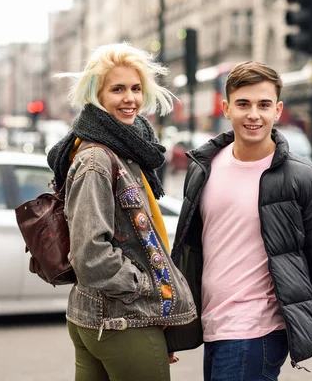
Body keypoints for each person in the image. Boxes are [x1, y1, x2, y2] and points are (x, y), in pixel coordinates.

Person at [165, 61, 312, 380]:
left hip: (257, 331)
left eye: (263, 105)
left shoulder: (302, 178)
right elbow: (188, 254)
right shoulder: (204, 168)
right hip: (215, 326)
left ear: (278, 110)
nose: (253, 114)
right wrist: (175, 326)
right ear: (227, 108)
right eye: (243, 104)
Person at [47, 42, 197, 381]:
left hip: (106, 317)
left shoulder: (122, 149)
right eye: (117, 89)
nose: (130, 98)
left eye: (135, 88)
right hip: (122, 318)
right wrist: (146, 288)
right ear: (97, 95)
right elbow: (90, 254)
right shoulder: (98, 159)